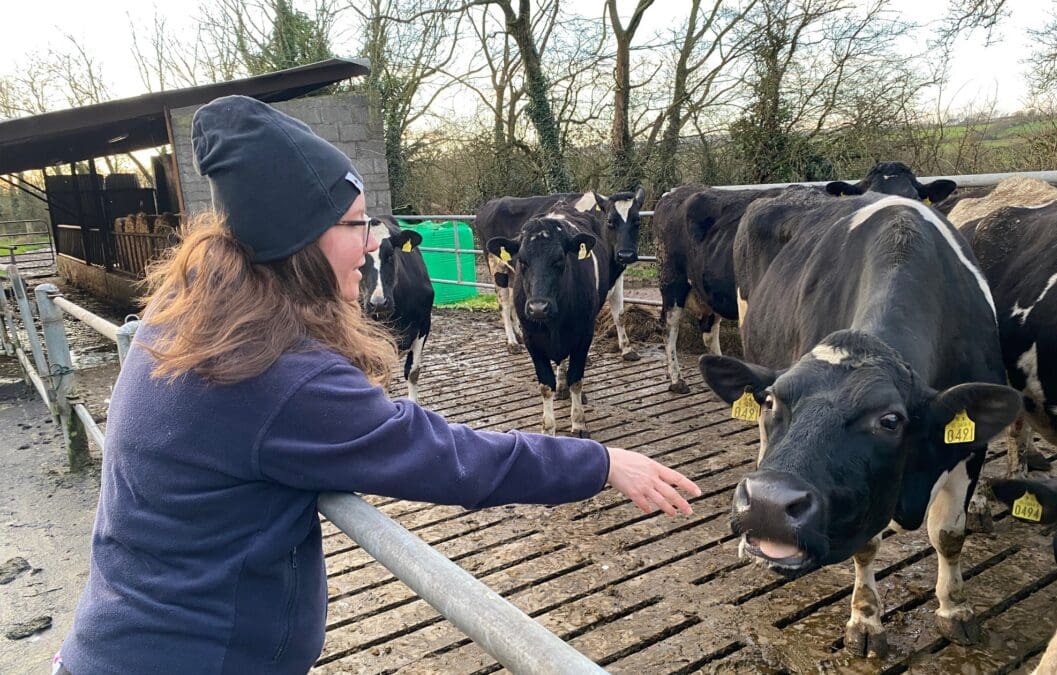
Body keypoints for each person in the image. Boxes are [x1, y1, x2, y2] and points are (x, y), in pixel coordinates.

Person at [55, 95, 700, 674]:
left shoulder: (183, 316)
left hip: (116, 643)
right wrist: (601, 460)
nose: (373, 245)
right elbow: (452, 459)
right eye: (357, 224)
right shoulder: (273, 374)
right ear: (299, 239)